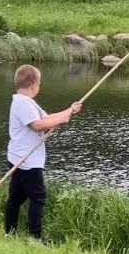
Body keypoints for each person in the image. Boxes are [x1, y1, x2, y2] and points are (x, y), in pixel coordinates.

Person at [5, 65, 82, 242]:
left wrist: (69, 110)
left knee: (16, 197)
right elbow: (38, 125)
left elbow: (45, 119)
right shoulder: (22, 103)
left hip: (19, 156)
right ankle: (36, 238)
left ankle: (10, 232)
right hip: (26, 160)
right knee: (38, 197)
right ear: (35, 84)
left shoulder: (25, 102)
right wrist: (61, 120)